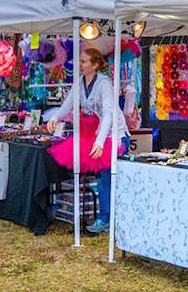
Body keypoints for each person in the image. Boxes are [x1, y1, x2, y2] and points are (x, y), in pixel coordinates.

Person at [45, 47, 130, 235]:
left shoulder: (104, 83)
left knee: (107, 177)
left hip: (113, 135)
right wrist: (55, 118)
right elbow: (67, 105)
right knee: (102, 178)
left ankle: (108, 218)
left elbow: (108, 114)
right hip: (98, 134)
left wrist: (100, 142)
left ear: (95, 64)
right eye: (80, 61)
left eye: (83, 61)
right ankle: (105, 217)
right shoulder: (79, 82)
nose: (80, 65)